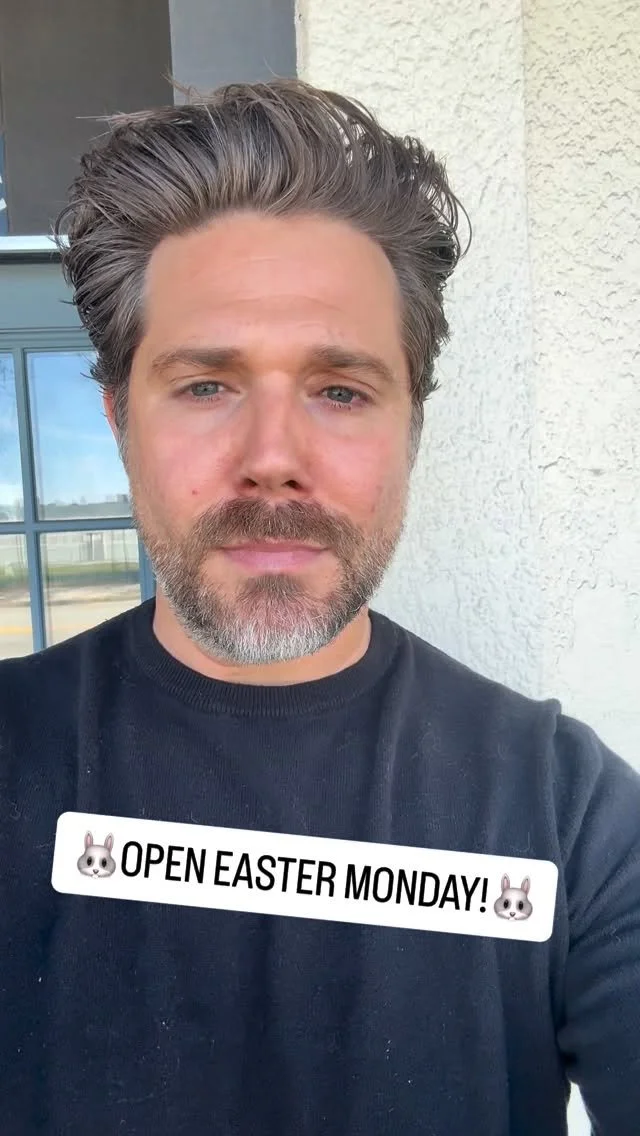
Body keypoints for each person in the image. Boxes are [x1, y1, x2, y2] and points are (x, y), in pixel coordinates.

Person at [0, 78, 638, 1136]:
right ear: (118, 419)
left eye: (340, 389)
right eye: (206, 385)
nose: (273, 458)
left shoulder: (568, 813)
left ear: (410, 427)